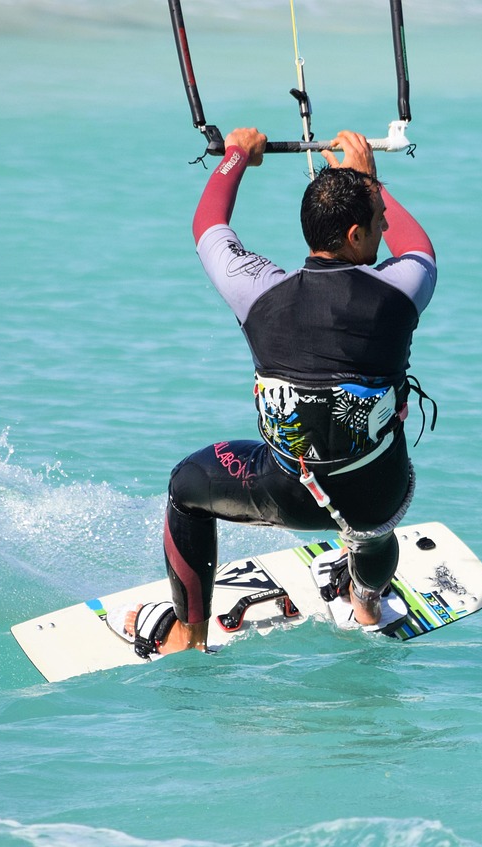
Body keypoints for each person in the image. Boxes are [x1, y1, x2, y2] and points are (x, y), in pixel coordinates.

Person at [114, 127, 436, 658]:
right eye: (376, 221)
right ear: (356, 235)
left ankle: (187, 636)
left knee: (186, 488)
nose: (383, 226)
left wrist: (238, 155)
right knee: (373, 530)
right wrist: (370, 179)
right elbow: (417, 248)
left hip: (287, 492)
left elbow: (208, 225)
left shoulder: (258, 290)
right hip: (379, 491)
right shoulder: (402, 291)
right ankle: (366, 603)